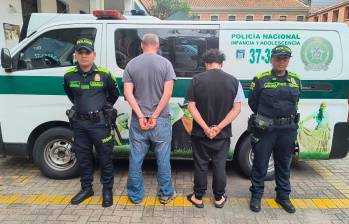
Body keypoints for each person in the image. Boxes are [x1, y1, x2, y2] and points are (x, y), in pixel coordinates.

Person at [63, 38, 120, 207]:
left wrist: (103, 109)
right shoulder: (69, 75)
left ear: (93, 55)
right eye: (80, 52)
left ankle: (107, 190)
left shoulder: (105, 74)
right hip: (79, 125)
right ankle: (86, 188)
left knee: (105, 157)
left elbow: (114, 94)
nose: (84, 56)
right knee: (83, 158)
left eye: (87, 52)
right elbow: (71, 96)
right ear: (76, 55)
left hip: (99, 124)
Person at [185, 49, 243, 208]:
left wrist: (205, 128)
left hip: (200, 133)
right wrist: (218, 128)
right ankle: (219, 198)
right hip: (222, 134)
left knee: (201, 164)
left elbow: (191, 106)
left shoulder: (196, 79)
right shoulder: (234, 81)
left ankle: (198, 197)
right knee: (219, 165)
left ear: (205, 63)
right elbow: (237, 109)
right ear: (222, 63)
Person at [123, 33, 176, 204]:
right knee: (163, 158)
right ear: (158, 46)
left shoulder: (131, 64)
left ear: (141, 45)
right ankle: (166, 193)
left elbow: (127, 93)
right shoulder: (166, 64)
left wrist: (140, 115)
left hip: (138, 121)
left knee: (136, 158)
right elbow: (167, 93)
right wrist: (154, 115)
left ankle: (136, 196)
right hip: (160, 120)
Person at [248, 45, 301, 213]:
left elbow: (296, 102)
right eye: (278, 58)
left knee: (284, 164)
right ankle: (256, 196)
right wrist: (266, 119)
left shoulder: (295, 79)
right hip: (266, 130)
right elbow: (253, 103)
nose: (281, 61)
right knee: (260, 164)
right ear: (271, 59)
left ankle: (283, 197)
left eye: (285, 58)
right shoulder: (260, 79)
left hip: (287, 129)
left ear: (288, 60)